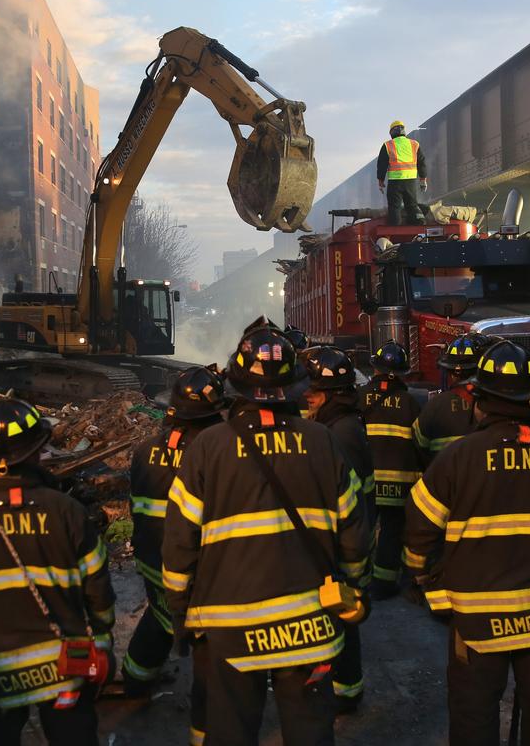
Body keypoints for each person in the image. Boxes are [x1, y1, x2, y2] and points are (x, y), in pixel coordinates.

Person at [162, 319, 370, 746]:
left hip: (228, 626)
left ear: (235, 387)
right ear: (296, 387)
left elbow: (179, 543)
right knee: (311, 730)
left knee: (231, 731)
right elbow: (354, 531)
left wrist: (181, 612)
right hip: (310, 625)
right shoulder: (323, 440)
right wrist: (353, 588)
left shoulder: (207, 447)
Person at [405, 340, 530, 746]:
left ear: (480, 400)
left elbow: (418, 535)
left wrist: (434, 589)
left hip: (478, 620)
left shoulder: (457, 459)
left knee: (473, 713)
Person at [0, 398, 116, 746]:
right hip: (65, 666)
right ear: (38, 452)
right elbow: (98, 592)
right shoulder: (67, 511)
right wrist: (103, 639)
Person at [123, 366, 226, 746]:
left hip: (151, 560)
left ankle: (135, 678)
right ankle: (207, 730)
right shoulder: (214, 454)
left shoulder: (145, 450)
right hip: (192, 568)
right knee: (205, 645)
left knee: (160, 615)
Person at [301, 346, 374, 712]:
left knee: (342, 619)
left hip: (341, 542)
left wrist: (353, 565)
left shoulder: (338, 433)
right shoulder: (342, 423)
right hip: (345, 537)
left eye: (311, 396)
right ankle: (346, 688)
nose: (307, 403)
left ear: (327, 395)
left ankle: (346, 693)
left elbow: (347, 502)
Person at [356, 340, 423, 601]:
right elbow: (420, 442)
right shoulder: (411, 402)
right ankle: (384, 584)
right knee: (393, 531)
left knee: (365, 527)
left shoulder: (360, 397)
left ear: (375, 369)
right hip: (400, 482)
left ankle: (360, 580)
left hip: (367, 481)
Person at [412, 334, 491, 464]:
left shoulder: (435, 406)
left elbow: (418, 444)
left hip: (444, 479)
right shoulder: (491, 404)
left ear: (449, 372)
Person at [376, 120, 428, 225]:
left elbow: (381, 165)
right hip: (411, 182)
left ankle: (395, 230)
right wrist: (423, 180)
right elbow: (421, 163)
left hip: (395, 182)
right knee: (412, 205)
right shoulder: (414, 144)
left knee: (395, 207)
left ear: (391, 132)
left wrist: (380, 181)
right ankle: (417, 227)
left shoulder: (387, 145)